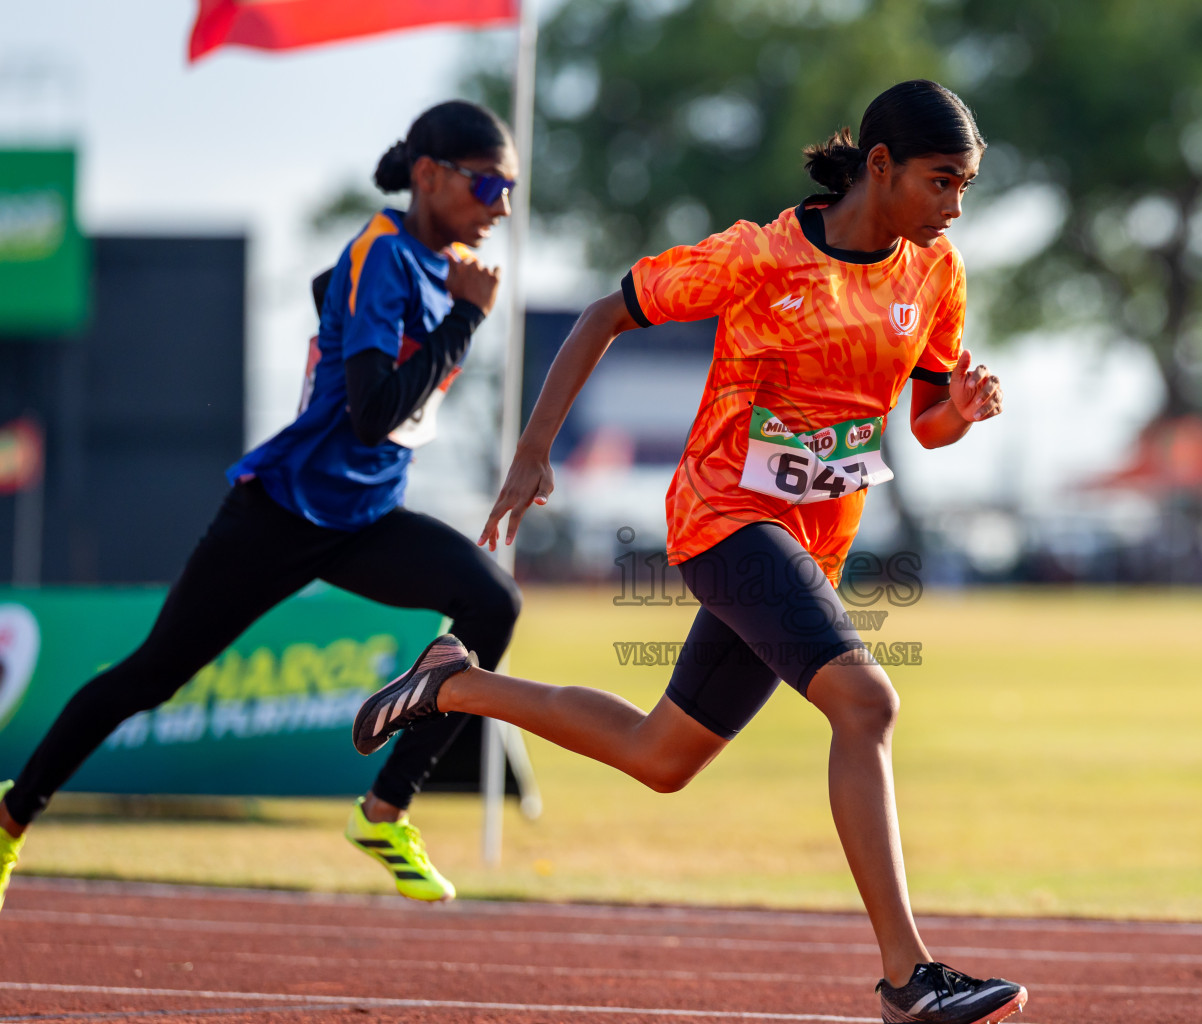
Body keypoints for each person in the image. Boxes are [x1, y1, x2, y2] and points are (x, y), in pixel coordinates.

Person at [354, 80, 1023, 1024]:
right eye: (942, 181)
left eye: (966, 186)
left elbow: (924, 419)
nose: (955, 206)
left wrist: (958, 410)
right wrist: (535, 450)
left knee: (661, 755)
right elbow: (602, 316)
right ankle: (909, 978)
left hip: (814, 545)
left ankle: (453, 682)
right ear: (880, 165)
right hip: (725, 518)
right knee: (866, 701)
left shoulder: (934, 270)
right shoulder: (760, 257)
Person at [0, 100, 523, 909]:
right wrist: (464, 319)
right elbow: (372, 410)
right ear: (428, 175)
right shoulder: (386, 256)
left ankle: (384, 813)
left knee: (493, 604)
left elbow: (351, 339)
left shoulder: (443, 265)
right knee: (151, 677)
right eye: (488, 185)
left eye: (511, 191)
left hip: (366, 520)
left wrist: (449, 310)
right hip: (282, 514)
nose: (502, 208)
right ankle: (9, 819)